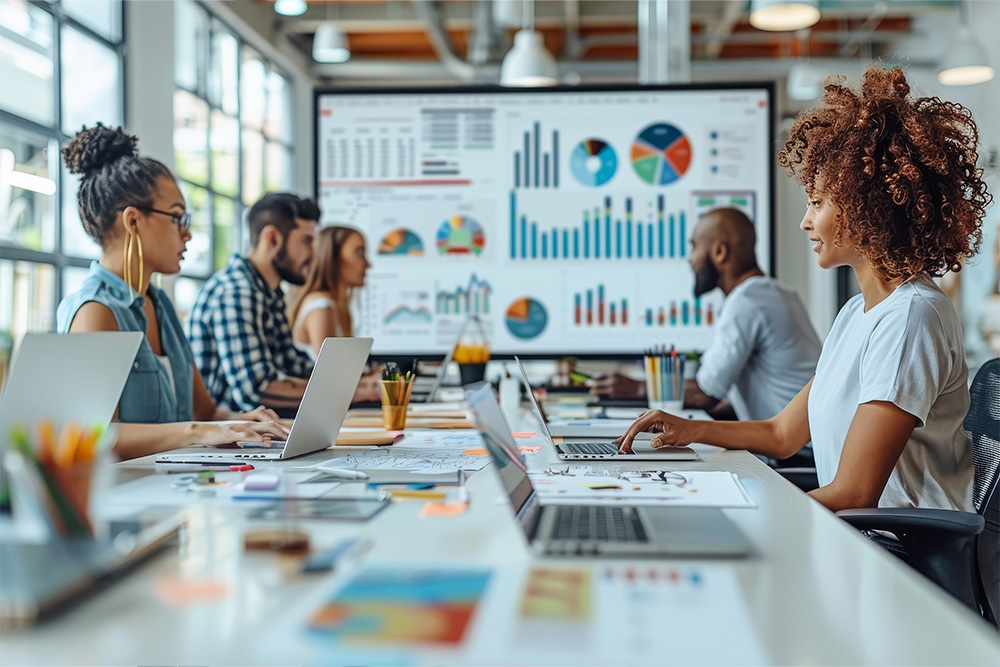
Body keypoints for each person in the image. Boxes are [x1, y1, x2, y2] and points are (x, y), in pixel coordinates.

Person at [616, 66, 989, 512]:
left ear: (863, 203)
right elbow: (781, 434)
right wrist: (690, 429)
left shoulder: (913, 317)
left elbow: (854, 493)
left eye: (816, 202)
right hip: (859, 537)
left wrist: (747, 515)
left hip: (902, 552)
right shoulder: (858, 314)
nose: (805, 221)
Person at [56, 124, 288, 460]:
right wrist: (196, 432)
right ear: (133, 222)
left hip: (178, 485)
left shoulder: (160, 303)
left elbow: (206, 415)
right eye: (177, 218)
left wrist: (244, 422)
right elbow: (92, 435)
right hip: (130, 497)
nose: (188, 234)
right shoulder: (96, 310)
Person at [592, 207, 822, 422]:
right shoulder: (777, 294)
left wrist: (635, 388)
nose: (690, 259)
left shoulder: (746, 302)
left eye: (694, 247)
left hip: (795, 458)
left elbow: (706, 393)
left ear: (720, 252)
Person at [187, 193, 318, 415]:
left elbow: (292, 365)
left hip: (256, 432)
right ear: (273, 238)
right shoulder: (236, 291)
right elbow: (257, 390)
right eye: (307, 241)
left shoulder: (268, 292)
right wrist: (345, 392)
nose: (313, 254)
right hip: (228, 438)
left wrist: (356, 381)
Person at [287, 225, 380, 401]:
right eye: (359, 253)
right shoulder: (321, 306)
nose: (367, 264)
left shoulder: (338, 308)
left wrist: (367, 378)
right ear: (332, 259)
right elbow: (332, 377)